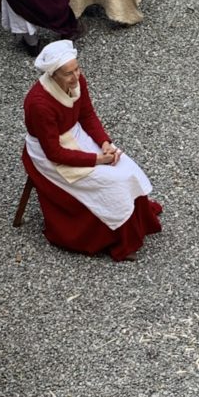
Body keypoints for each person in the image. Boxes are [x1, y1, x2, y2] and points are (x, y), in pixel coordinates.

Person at [22, 40, 163, 261]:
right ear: (53, 75)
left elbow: (87, 114)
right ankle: (118, 240)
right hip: (48, 153)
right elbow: (54, 153)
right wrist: (96, 159)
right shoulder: (39, 104)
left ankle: (137, 221)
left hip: (74, 135)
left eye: (77, 68)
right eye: (68, 73)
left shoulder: (77, 81)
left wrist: (104, 142)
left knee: (127, 168)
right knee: (111, 183)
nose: (75, 76)